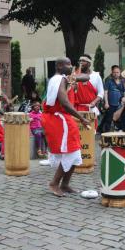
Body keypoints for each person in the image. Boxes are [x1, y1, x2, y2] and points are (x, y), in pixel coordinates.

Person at [42, 57, 90, 197]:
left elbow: (86, 76)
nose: (71, 66)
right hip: (58, 119)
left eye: (71, 63)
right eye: (67, 64)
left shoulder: (64, 78)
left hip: (63, 119)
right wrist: (81, 118)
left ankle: (65, 184)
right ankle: (54, 184)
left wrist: (74, 77)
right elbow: (64, 102)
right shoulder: (59, 80)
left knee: (75, 153)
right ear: (58, 66)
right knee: (71, 152)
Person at [73, 54, 104, 129]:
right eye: (80, 61)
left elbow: (101, 93)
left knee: (91, 132)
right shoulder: (74, 75)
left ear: (89, 63)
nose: (81, 62)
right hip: (77, 109)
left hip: (90, 108)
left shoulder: (96, 76)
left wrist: (94, 102)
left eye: (83, 61)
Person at [102, 65, 125, 132]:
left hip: (120, 104)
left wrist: (124, 98)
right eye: (114, 72)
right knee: (108, 120)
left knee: (119, 120)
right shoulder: (109, 81)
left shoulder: (122, 82)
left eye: (117, 72)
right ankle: (106, 134)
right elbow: (105, 92)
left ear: (120, 73)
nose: (116, 74)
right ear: (112, 73)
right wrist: (106, 103)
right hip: (111, 104)